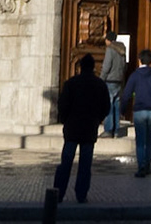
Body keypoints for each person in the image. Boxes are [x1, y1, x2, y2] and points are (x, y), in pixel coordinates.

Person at [55, 54, 110, 203]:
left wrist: (65, 120)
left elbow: (62, 105)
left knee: (66, 162)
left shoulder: (71, 83)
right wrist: (97, 120)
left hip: (72, 128)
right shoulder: (100, 85)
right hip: (89, 129)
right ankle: (81, 194)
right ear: (93, 67)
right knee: (85, 164)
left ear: (80, 67)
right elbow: (106, 107)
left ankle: (58, 193)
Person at [117, 49, 151, 177]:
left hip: (140, 111)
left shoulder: (135, 76)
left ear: (140, 60)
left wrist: (122, 110)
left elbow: (127, 94)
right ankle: (147, 165)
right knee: (149, 139)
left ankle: (141, 166)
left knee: (140, 140)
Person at [99, 31, 127, 137]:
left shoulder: (110, 50)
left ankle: (109, 130)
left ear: (108, 40)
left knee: (109, 106)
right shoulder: (122, 50)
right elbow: (124, 66)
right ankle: (116, 130)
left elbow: (106, 66)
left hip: (110, 81)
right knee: (116, 106)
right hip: (118, 81)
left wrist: (101, 79)